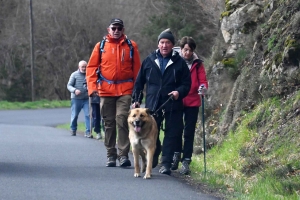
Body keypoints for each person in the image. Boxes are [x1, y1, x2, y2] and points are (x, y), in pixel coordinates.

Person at [132, 29, 191, 175]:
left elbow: (186, 84)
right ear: (158, 44)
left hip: (173, 103)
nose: (164, 45)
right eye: (162, 42)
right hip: (153, 104)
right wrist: (136, 100)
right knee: (152, 133)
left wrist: (179, 92)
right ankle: (154, 156)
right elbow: (139, 83)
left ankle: (166, 163)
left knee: (172, 133)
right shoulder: (149, 60)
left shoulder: (180, 63)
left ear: (172, 45)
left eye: (168, 43)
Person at [86, 18, 141, 167]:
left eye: (119, 28)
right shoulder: (100, 46)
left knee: (122, 119)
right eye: (114, 28)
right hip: (105, 90)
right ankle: (111, 154)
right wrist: (92, 89)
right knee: (109, 123)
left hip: (126, 90)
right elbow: (91, 68)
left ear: (123, 30)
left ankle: (123, 155)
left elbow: (138, 71)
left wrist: (138, 93)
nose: (116, 31)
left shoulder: (131, 46)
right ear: (108, 29)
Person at [171, 36, 208, 175]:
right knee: (176, 129)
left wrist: (203, 88)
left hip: (193, 101)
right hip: (178, 99)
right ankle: (176, 155)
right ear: (181, 49)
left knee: (189, 132)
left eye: (190, 50)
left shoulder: (198, 64)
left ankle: (186, 161)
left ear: (193, 51)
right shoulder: (174, 61)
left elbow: (203, 80)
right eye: (185, 50)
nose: (187, 53)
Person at [67, 60, 91, 137]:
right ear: (79, 67)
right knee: (75, 115)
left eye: (85, 67)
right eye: (82, 67)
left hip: (87, 99)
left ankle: (88, 132)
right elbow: (69, 85)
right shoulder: (74, 75)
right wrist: (74, 90)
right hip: (76, 99)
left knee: (88, 115)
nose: (84, 68)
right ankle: (73, 129)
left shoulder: (89, 75)